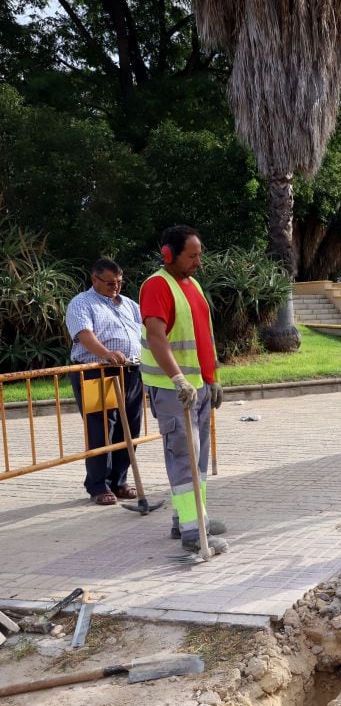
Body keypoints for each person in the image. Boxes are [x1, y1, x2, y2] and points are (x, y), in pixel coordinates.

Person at [140, 225, 228, 553]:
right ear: (168, 254)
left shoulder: (192, 285)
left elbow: (204, 335)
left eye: (199, 255)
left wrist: (212, 377)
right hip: (173, 390)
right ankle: (193, 533)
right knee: (183, 458)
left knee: (197, 457)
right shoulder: (157, 286)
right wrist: (179, 378)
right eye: (191, 256)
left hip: (199, 388)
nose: (197, 262)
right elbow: (156, 336)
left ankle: (192, 518)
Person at [65, 258, 144, 505]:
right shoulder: (82, 303)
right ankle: (98, 485)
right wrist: (105, 354)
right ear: (95, 279)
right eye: (110, 283)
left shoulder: (129, 304)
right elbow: (84, 334)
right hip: (97, 372)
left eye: (119, 282)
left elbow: (143, 331)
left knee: (129, 428)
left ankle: (119, 480)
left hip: (130, 372)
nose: (116, 287)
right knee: (101, 429)